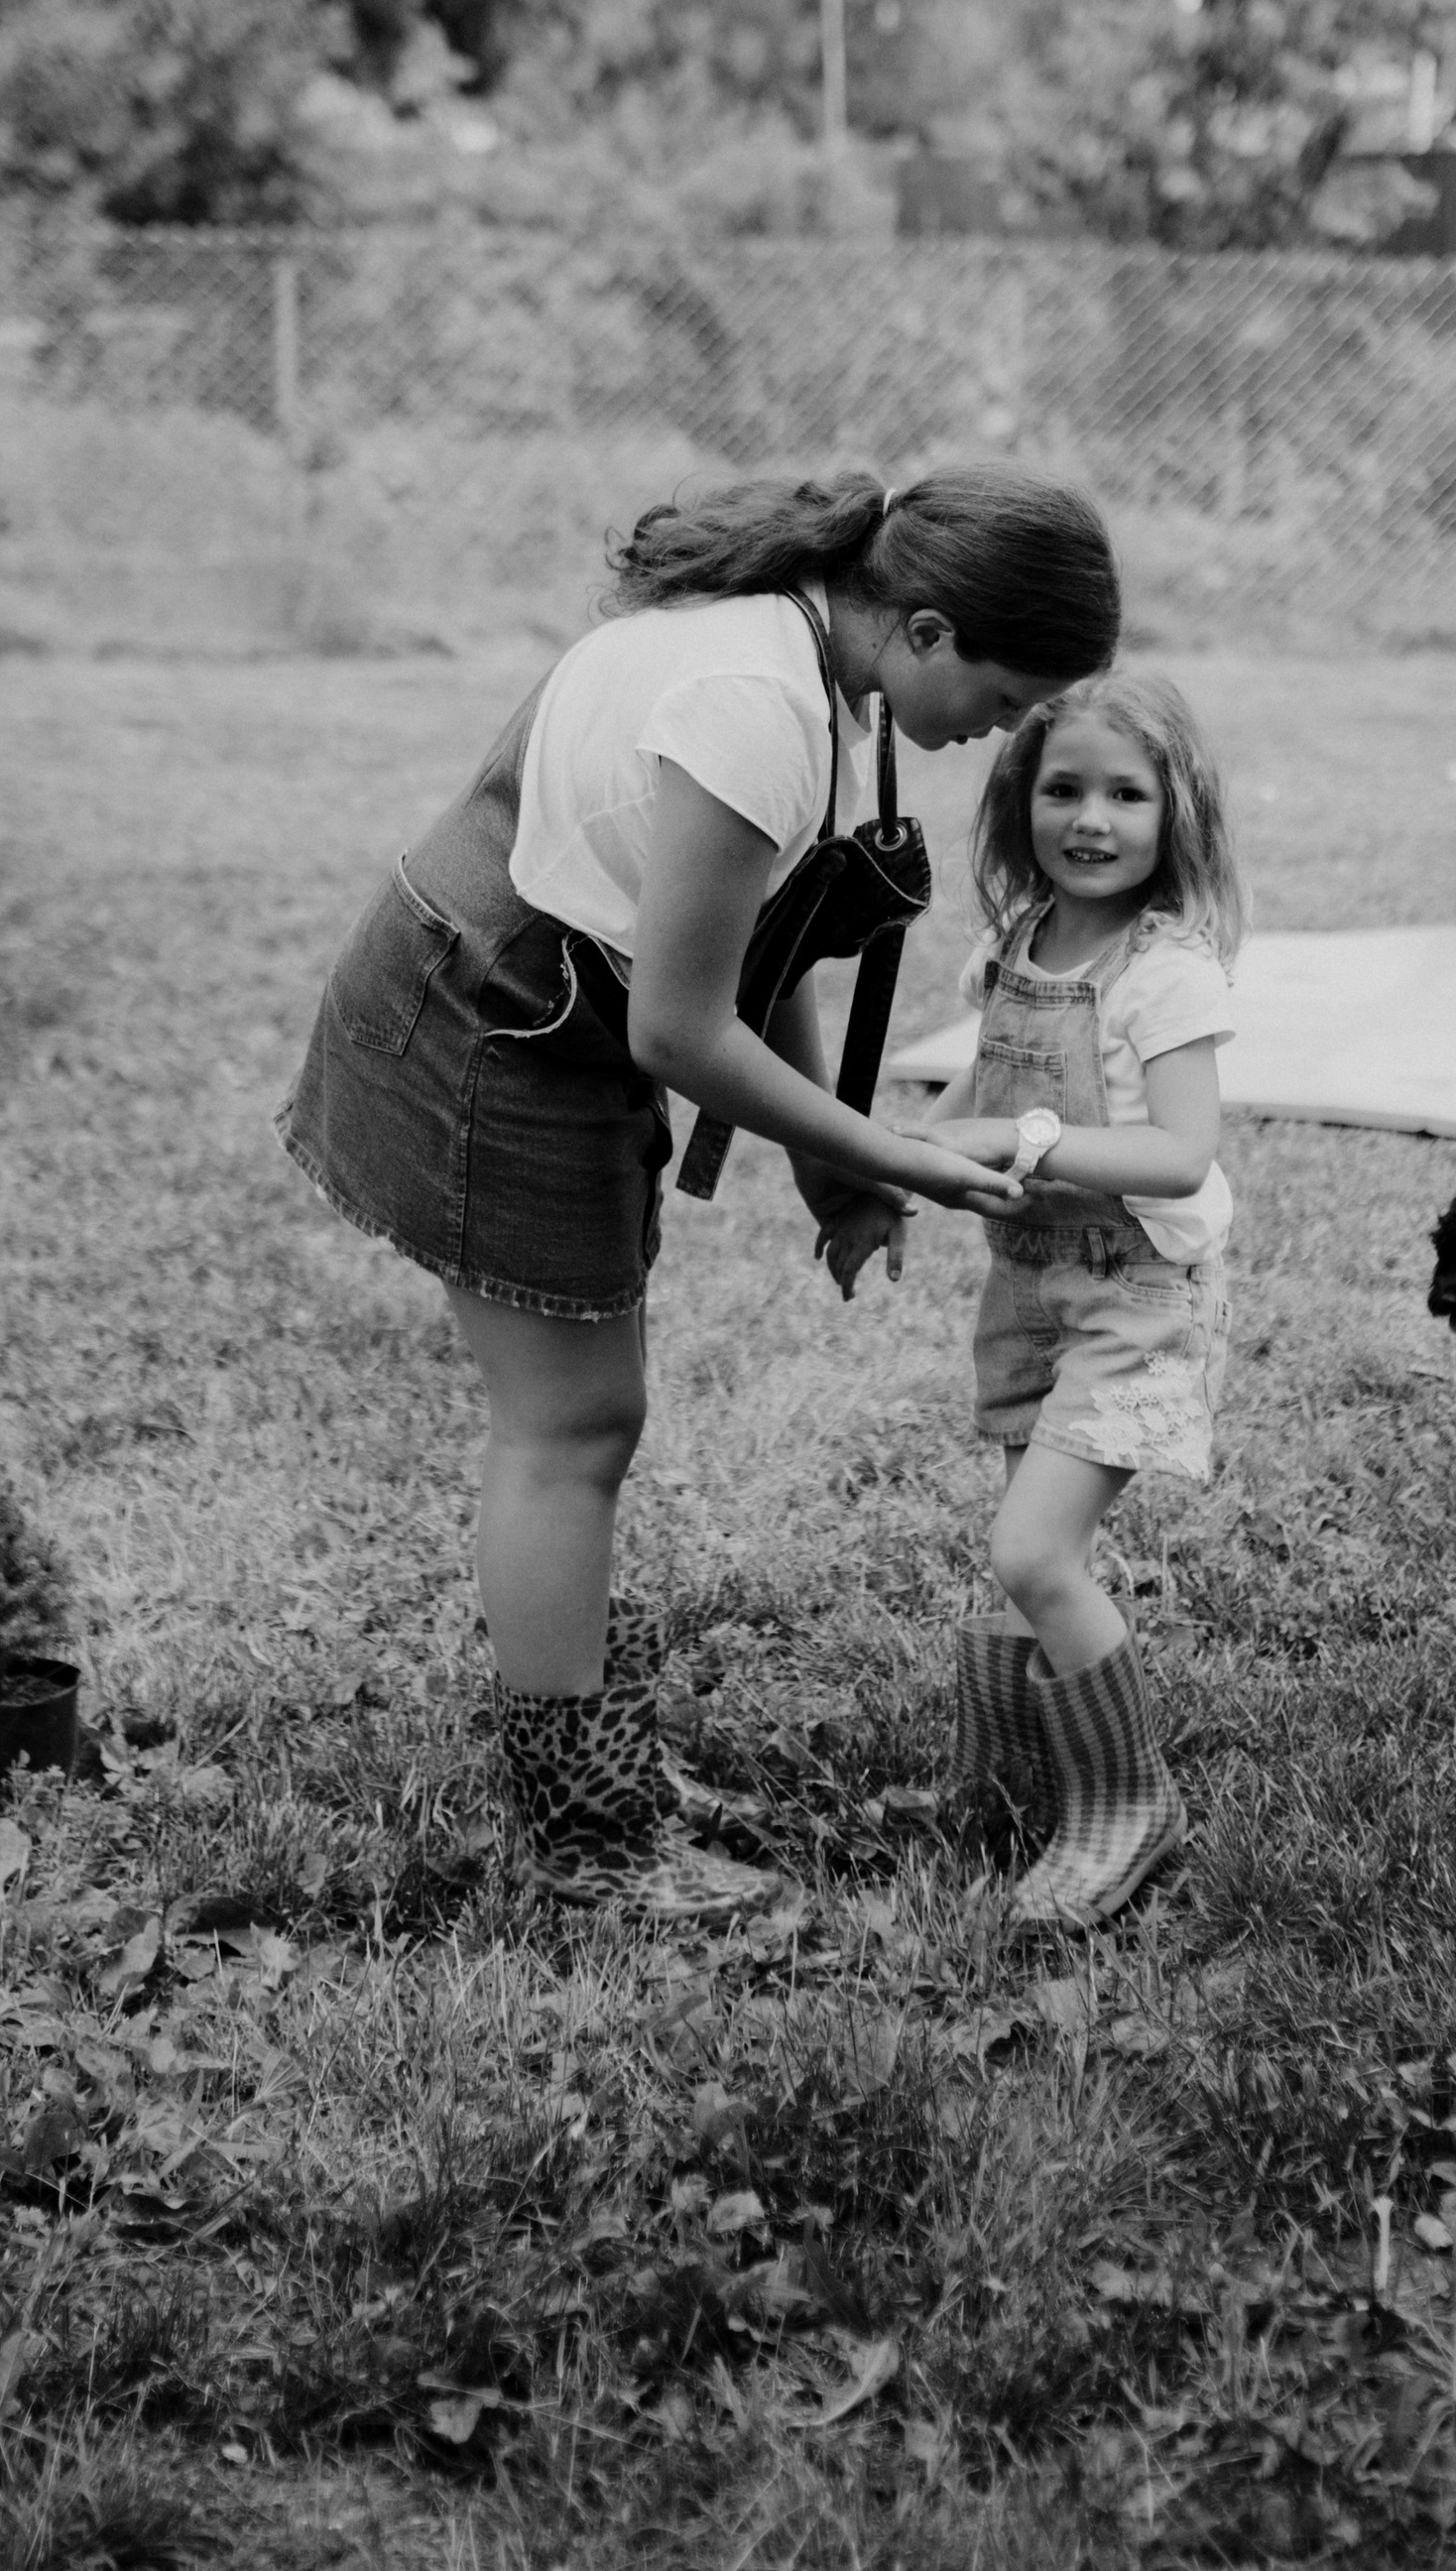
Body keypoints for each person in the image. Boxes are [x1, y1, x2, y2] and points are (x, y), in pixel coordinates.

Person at [279, 462, 1122, 1919]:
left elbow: (750, 946)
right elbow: (683, 1028)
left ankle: (600, 1784)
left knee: (585, 1419)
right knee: (570, 1427)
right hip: (491, 1021)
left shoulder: (804, 648)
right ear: (923, 629)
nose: (999, 733)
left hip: (543, 1007)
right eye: (1000, 696)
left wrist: (826, 1167)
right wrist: (895, 1155)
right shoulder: (762, 704)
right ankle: (585, 1845)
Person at [927, 669, 1245, 1925]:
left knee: (1031, 1549)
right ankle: (1014, 1785)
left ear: (1178, 815)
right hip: (1033, 1286)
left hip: (1137, 1297)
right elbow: (966, 1105)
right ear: (1021, 803)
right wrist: (897, 1171)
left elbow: (1177, 1153)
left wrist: (1024, 1141)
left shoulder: (1167, 972)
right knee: (1020, 1547)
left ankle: (1128, 1807)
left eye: (1127, 792)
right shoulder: (1010, 947)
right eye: (1064, 788)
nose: (1091, 818)